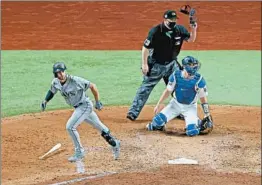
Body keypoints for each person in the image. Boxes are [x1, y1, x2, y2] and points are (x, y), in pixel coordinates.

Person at [41, 62, 120, 162]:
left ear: (64, 71)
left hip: (85, 106)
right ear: (55, 74)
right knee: (100, 127)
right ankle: (115, 143)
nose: (60, 75)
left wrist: (97, 101)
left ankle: (79, 152)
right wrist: (45, 101)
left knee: (70, 127)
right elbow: (52, 91)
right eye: (57, 73)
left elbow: (93, 86)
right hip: (78, 107)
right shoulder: (56, 82)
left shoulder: (75, 80)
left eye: (61, 72)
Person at [127, 10, 197, 121]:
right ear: (165, 19)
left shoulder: (179, 30)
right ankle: (133, 112)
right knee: (145, 88)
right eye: (171, 20)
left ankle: (179, 111)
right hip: (156, 65)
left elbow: (191, 39)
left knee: (177, 87)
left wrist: (194, 28)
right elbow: (145, 48)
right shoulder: (156, 31)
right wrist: (144, 64)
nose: (173, 22)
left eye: (174, 19)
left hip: (172, 64)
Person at [146, 56, 213, 136]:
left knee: (192, 132)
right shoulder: (175, 75)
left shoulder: (199, 80)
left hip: (190, 107)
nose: (192, 75)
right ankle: (159, 126)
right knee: (157, 122)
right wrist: (158, 104)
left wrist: (207, 114)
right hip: (175, 104)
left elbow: (203, 99)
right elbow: (168, 91)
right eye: (191, 66)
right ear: (184, 67)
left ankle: (197, 122)